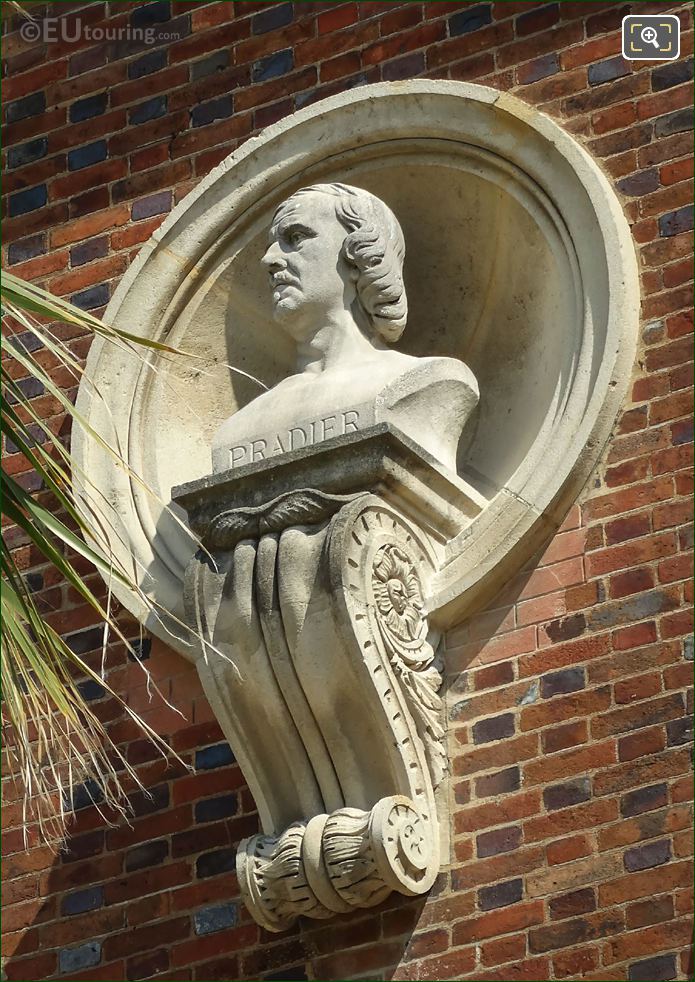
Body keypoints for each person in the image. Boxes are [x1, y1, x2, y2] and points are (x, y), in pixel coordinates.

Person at [211, 182, 478, 473]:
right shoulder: (240, 428)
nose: (269, 259)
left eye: (295, 237)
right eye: (271, 245)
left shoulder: (430, 381)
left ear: (359, 256)